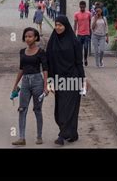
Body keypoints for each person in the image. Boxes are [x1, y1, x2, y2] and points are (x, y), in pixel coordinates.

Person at [46, 16, 85, 146]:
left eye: (60, 25)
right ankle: (72, 134)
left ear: (66, 26)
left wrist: (82, 81)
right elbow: (49, 63)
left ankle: (61, 136)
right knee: (60, 109)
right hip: (58, 79)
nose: (58, 27)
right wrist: (50, 81)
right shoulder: (52, 42)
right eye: (56, 24)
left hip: (73, 78)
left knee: (68, 108)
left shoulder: (74, 42)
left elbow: (79, 63)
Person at [11, 27, 49, 146]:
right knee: (22, 109)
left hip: (38, 81)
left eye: (30, 36)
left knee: (37, 110)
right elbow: (21, 69)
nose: (28, 38)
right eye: (26, 36)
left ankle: (39, 136)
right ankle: (21, 138)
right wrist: (16, 84)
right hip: (26, 82)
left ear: (36, 37)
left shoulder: (41, 52)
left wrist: (45, 86)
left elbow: (45, 69)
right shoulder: (22, 51)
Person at [74, 1, 92, 66]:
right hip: (79, 34)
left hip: (86, 34)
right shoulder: (76, 14)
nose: (82, 8)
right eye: (81, 6)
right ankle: (80, 60)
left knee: (86, 47)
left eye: (83, 7)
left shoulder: (88, 14)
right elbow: (75, 24)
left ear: (85, 6)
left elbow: (90, 22)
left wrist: (90, 31)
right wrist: (74, 32)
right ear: (79, 6)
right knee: (80, 49)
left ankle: (85, 59)